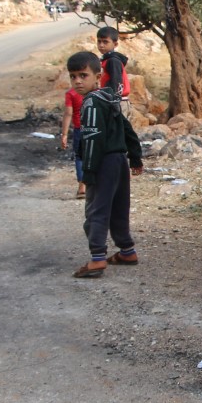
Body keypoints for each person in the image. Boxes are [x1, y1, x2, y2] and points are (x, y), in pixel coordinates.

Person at [66, 51, 144, 279]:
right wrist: (135, 157)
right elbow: (127, 128)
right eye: (73, 77)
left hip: (102, 162)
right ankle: (127, 251)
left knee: (97, 209)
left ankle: (97, 258)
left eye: (83, 75)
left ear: (97, 76)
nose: (78, 81)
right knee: (119, 207)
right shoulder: (108, 98)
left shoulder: (90, 103)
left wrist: (88, 173)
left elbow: (92, 140)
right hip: (119, 161)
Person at [61, 77, 86, 198]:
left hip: (79, 129)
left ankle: (82, 186)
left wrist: (64, 134)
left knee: (79, 157)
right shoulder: (94, 92)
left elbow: (68, 113)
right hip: (94, 128)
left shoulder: (71, 93)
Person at [96, 26, 130, 98]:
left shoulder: (113, 61)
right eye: (99, 41)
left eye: (105, 42)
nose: (101, 45)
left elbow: (116, 83)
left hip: (117, 101)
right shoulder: (107, 59)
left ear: (115, 44)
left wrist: (113, 100)